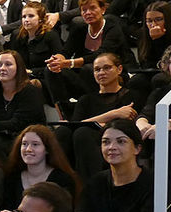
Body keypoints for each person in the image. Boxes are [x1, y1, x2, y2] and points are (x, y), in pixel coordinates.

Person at [45, 0, 133, 118]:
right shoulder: (79, 28)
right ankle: (63, 114)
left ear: (103, 9)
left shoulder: (113, 26)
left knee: (89, 68)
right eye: (84, 10)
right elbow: (66, 51)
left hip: (114, 73)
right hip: (85, 78)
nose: (88, 13)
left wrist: (69, 63)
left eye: (92, 8)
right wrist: (56, 61)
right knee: (51, 71)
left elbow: (101, 55)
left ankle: (92, 109)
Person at [55, 52, 136, 181]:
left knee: (83, 133)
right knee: (63, 131)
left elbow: (127, 127)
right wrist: (114, 114)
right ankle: (60, 184)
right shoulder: (86, 100)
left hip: (112, 143)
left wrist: (92, 123)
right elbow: (75, 125)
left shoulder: (130, 96)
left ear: (119, 69)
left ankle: (90, 186)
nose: (101, 72)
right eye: (97, 69)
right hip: (82, 146)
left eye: (107, 68)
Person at [137, 42, 171, 204]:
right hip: (156, 136)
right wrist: (143, 127)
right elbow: (144, 115)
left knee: (167, 139)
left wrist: (167, 125)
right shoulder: (161, 91)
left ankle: (167, 199)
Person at [9, 1, 61, 77]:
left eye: (31, 16)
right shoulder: (16, 35)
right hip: (22, 77)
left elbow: (57, 64)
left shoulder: (51, 35)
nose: (26, 20)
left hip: (45, 77)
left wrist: (31, 72)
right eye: (24, 17)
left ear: (40, 18)